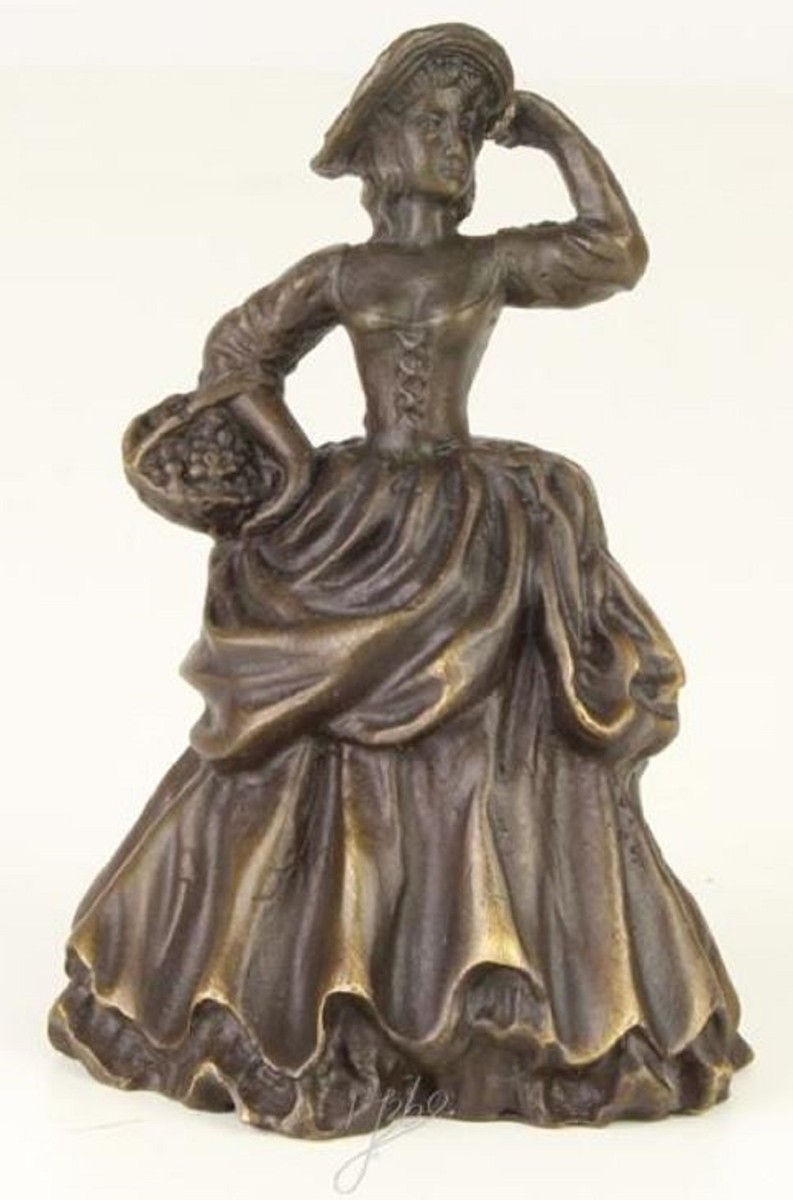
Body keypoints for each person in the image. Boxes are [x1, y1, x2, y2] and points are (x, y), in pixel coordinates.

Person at [49, 23, 751, 1136]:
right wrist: (282, 469)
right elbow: (237, 353)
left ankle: (504, 966)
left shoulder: (487, 264)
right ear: (375, 148)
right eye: (428, 124)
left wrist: (550, 131)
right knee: (304, 726)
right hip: (364, 510)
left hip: (468, 518)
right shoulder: (340, 273)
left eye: (464, 128)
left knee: (497, 722)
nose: (451, 144)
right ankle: (298, 966)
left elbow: (611, 252)